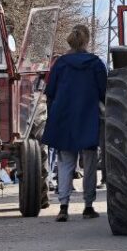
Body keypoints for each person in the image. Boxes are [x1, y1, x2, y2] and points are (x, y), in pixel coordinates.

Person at [42, 23, 107, 221]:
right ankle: (88, 206)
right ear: (87, 40)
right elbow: (105, 92)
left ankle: (63, 207)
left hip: (64, 118)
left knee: (65, 162)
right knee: (90, 163)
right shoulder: (95, 63)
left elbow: (50, 91)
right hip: (88, 118)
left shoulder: (60, 64)